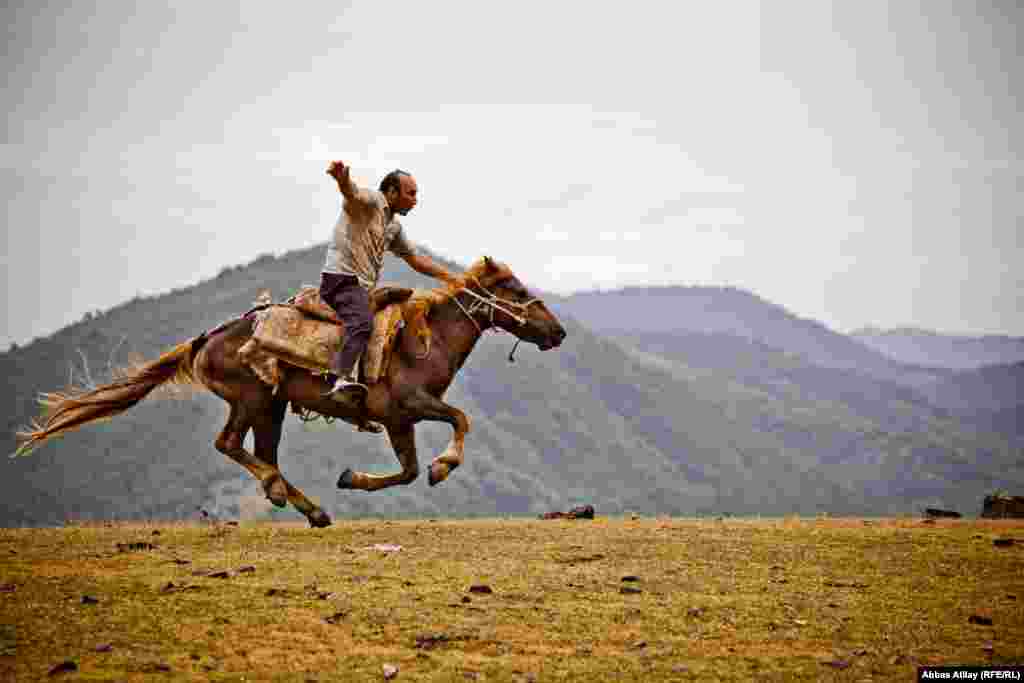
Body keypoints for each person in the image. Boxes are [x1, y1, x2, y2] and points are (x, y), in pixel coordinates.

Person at [320, 160, 459, 398]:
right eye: (411, 193)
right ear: (392, 192)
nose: (415, 200)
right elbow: (352, 193)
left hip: (363, 288)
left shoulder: (393, 226)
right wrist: (342, 180)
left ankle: (372, 397)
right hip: (342, 281)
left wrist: (451, 277)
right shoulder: (371, 202)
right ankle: (338, 378)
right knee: (363, 324)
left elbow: (415, 258)